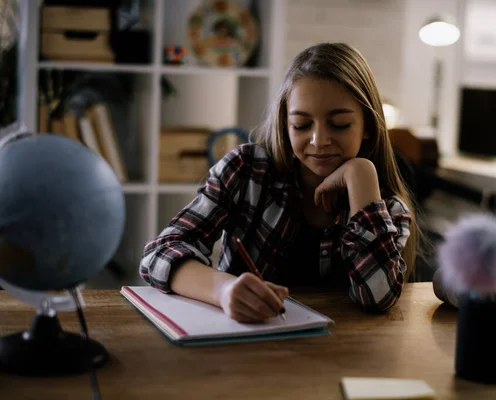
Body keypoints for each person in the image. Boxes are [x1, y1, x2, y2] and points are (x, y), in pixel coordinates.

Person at [140, 43, 418, 323]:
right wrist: (223, 290)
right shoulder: (247, 170)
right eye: (301, 125)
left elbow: (379, 297)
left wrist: (362, 175)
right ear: (285, 124)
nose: (319, 141)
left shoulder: (386, 209)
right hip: (248, 345)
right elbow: (159, 254)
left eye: (340, 124)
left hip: (340, 355)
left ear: (368, 126)